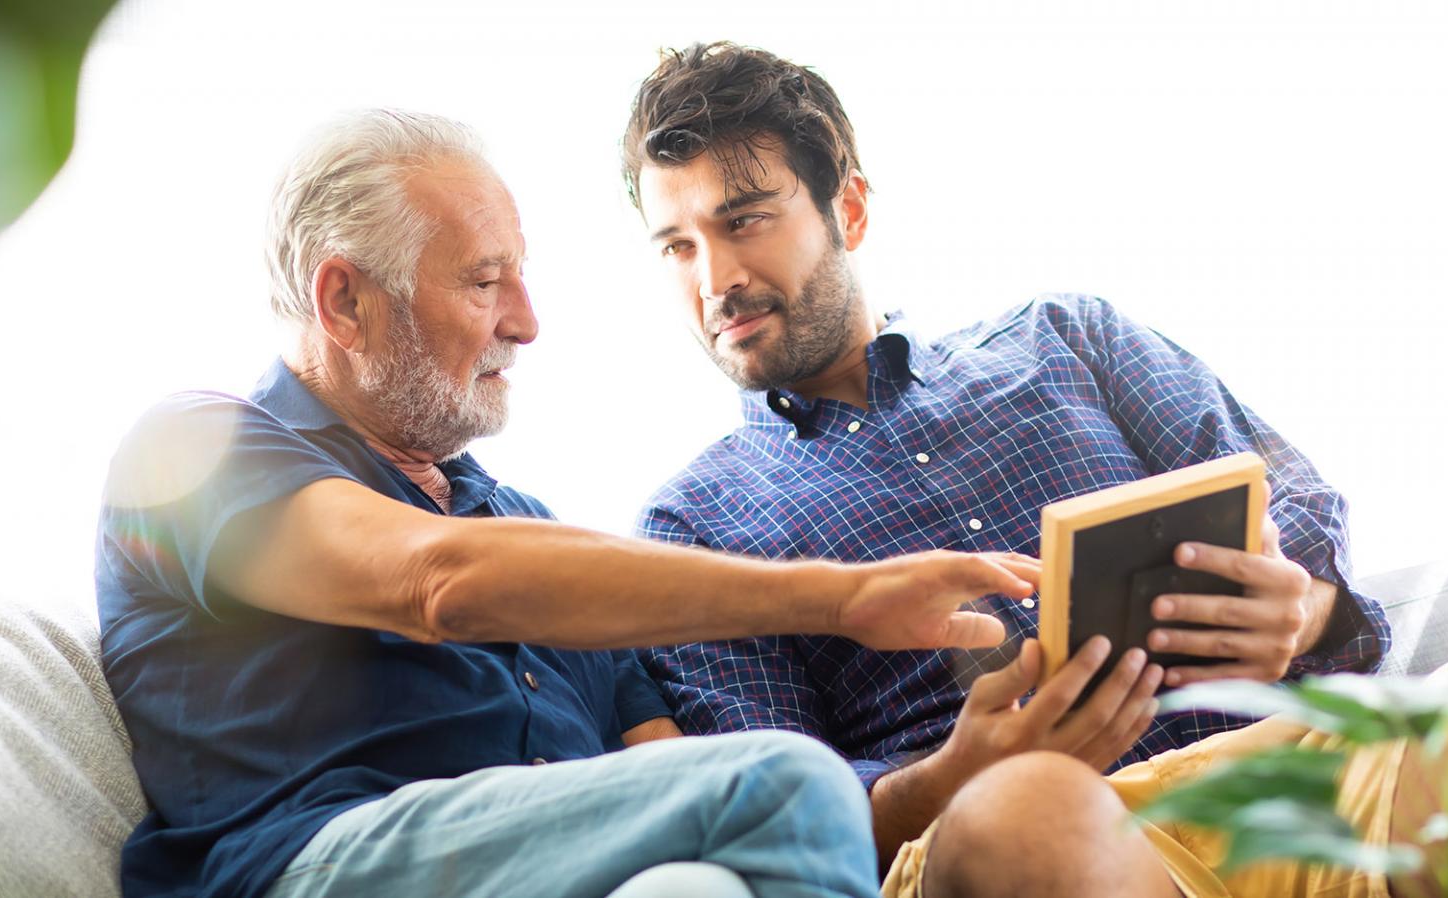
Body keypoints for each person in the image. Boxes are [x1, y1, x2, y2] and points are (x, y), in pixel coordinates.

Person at [621, 43, 1448, 898]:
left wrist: (1300, 611)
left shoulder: (1063, 336)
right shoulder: (693, 524)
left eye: (743, 220)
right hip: (1022, 833)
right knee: (1031, 808)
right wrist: (961, 772)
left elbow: (1298, 513)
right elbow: (780, 811)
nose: (716, 278)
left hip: (1292, 769)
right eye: (676, 246)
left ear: (847, 210)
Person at [94, 108, 1040, 898]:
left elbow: (658, 765)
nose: (527, 321)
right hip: (318, 861)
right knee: (793, 784)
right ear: (344, 301)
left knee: (696, 886)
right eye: (482, 281)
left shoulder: (532, 532)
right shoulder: (192, 450)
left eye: (521, 274)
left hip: (559, 870)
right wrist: (836, 599)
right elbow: (437, 580)